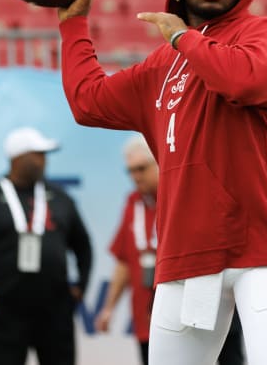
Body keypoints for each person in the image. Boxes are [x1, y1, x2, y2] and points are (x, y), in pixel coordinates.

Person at [57, 0, 267, 365]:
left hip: (265, 248)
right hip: (187, 254)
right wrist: (73, 25)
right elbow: (87, 101)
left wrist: (182, 37)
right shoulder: (160, 66)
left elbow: (243, 79)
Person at [95, 134, 245, 365]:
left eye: (141, 169)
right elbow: (125, 260)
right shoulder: (132, 203)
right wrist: (109, 308)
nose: (135, 177)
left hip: (207, 302)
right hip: (152, 313)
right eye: (130, 171)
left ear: (159, 161)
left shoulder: (189, 193)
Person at [0, 126, 92, 365]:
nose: (44, 161)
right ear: (18, 158)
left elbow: (83, 245)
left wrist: (80, 286)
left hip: (55, 309)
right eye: (38, 154)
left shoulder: (59, 197)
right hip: (6, 310)